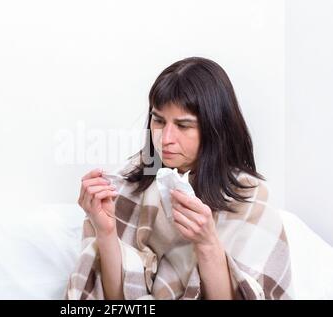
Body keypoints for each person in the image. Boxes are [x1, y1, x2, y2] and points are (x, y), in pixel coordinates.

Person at [65, 57, 293, 300]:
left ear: (216, 128)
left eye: (183, 125)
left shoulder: (248, 198)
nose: (165, 138)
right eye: (158, 120)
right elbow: (115, 301)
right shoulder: (128, 185)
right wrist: (106, 232)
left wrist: (207, 244)